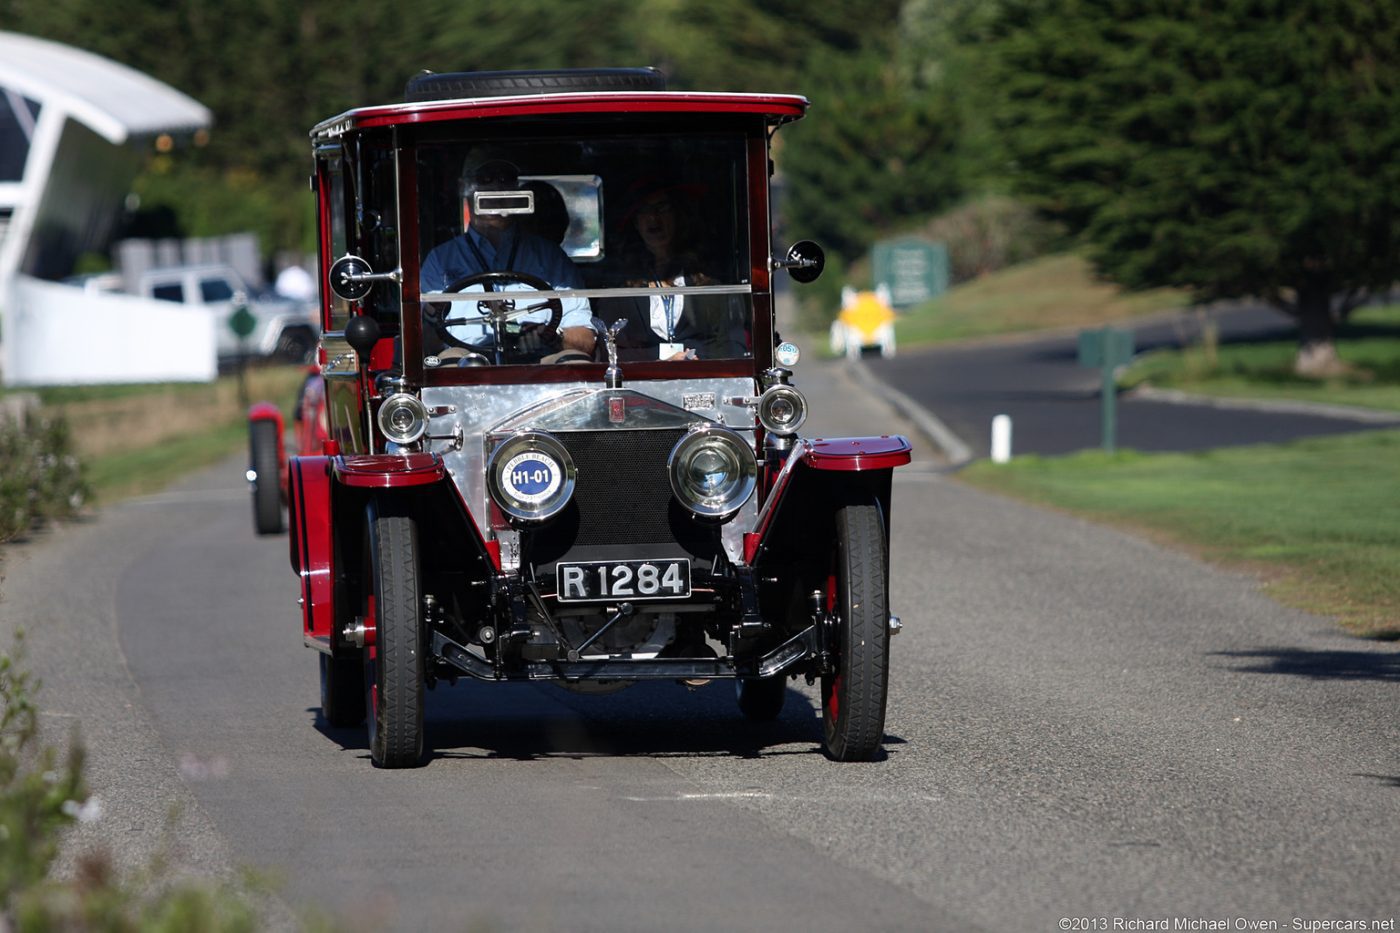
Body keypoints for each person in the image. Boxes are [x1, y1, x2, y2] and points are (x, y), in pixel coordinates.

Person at [419, 159, 594, 360]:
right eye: (484, 179)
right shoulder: (440, 260)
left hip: (541, 367)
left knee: (573, 358)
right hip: (467, 369)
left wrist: (551, 334)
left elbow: (585, 338)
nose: (496, 187)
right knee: (450, 359)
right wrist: (433, 327)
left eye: (505, 179)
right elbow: (424, 340)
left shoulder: (549, 256)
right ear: (464, 188)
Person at [600, 179, 748, 361]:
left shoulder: (710, 284)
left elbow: (733, 345)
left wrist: (691, 358)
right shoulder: (619, 290)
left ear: (679, 216)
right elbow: (610, 351)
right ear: (636, 223)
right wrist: (664, 358)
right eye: (644, 210)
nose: (654, 218)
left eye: (662, 208)